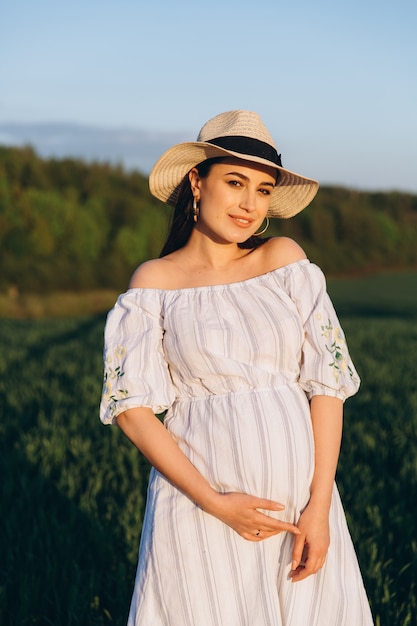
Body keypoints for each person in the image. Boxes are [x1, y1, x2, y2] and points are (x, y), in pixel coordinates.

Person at [100, 110, 373, 625]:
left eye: (264, 190)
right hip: (198, 504)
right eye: (235, 182)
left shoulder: (283, 259)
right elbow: (132, 409)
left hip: (296, 504)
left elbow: (327, 383)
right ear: (196, 183)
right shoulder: (154, 283)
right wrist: (215, 502)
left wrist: (319, 505)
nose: (250, 204)